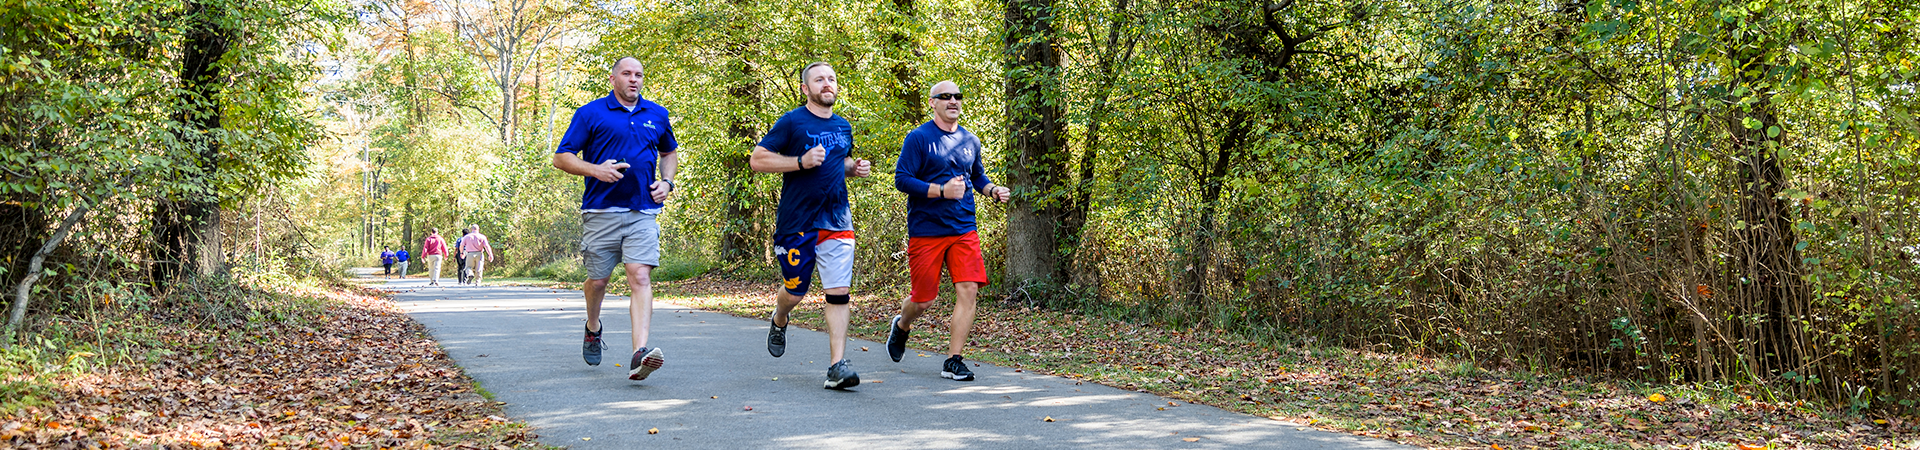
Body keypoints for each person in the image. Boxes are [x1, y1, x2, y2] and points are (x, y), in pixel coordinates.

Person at [551, 56, 680, 381]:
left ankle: (640, 353)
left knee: (639, 277)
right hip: (600, 211)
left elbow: (669, 152)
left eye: (639, 74)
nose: (634, 79)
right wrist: (596, 170)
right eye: (627, 73)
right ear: (613, 79)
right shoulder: (590, 113)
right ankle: (593, 327)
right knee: (598, 281)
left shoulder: (657, 114)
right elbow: (562, 157)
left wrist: (667, 182)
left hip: (642, 211)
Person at [749, 62, 872, 390]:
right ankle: (780, 316)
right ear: (806, 88)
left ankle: (837, 365)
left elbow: (835, 164)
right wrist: (799, 162)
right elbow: (758, 159)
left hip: (837, 220)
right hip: (797, 221)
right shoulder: (792, 122)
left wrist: (853, 167)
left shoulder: (844, 126)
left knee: (839, 294)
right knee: (795, 292)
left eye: (832, 78)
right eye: (819, 79)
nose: (827, 83)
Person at [884, 81, 1012, 382]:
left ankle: (954, 360)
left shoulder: (970, 140)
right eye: (945, 97)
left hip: (963, 227)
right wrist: (941, 190)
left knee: (968, 290)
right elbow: (902, 180)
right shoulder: (919, 138)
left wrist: (991, 189)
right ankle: (902, 325)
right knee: (924, 299)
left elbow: (976, 176)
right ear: (933, 103)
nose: (953, 101)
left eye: (957, 96)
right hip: (926, 229)